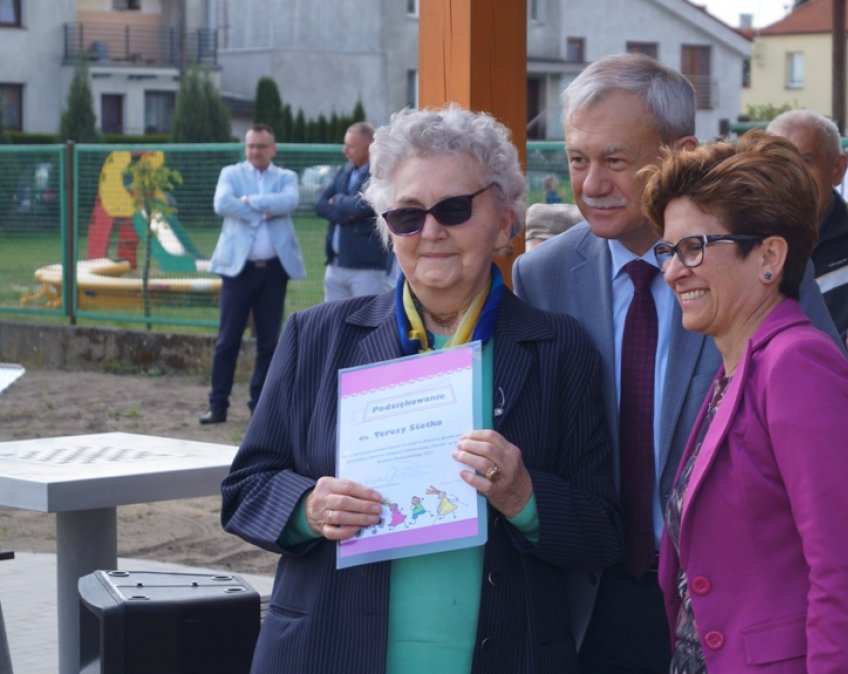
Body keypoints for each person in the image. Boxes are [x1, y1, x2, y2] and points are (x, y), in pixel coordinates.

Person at [512, 52, 848, 674]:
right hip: (592, 603)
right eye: (577, 160)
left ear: (679, 151)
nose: (591, 185)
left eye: (615, 160)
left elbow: (829, 408)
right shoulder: (541, 275)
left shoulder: (761, 272)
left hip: (737, 611)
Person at [221, 104, 622, 673]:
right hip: (327, 655)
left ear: (505, 222)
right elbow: (245, 490)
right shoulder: (317, 336)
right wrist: (308, 508)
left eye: (454, 209)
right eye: (408, 215)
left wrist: (525, 497)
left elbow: (602, 531)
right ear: (388, 230)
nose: (430, 232)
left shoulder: (559, 349)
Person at [642, 130, 848, 673]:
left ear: (769, 256)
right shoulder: (738, 371)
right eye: (668, 251)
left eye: (693, 247)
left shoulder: (798, 367)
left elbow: (844, 572)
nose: (673, 270)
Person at [201, 123, 306, 424]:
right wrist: (265, 209)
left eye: (261, 146)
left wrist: (248, 201)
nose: (255, 151)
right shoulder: (231, 174)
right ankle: (218, 405)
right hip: (238, 271)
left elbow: (290, 201)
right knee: (227, 340)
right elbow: (222, 204)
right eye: (250, 146)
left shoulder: (286, 177)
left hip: (273, 272)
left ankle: (260, 408)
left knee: (269, 343)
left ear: (273, 148)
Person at [767, 109, 848, 335]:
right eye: (778, 162)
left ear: (838, 169)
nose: (792, 175)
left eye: (805, 161)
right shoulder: (744, 242)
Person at [317, 121, 392, 301]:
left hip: (367, 268)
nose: (345, 151)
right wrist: (345, 217)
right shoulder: (346, 171)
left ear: (368, 148)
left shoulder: (380, 175)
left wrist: (337, 199)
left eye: (350, 146)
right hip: (336, 265)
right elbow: (320, 205)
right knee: (334, 317)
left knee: (367, 316)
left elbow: (362, 206)